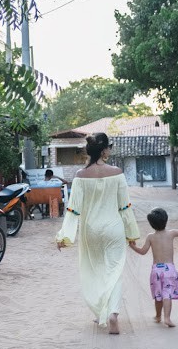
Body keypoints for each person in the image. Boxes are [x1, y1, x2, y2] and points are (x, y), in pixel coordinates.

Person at [56, 133, 139, 334]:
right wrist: (132, 233)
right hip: (114, 228)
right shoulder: (117, 173)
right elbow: (125, 207)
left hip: (90, 230)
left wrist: (64, 235)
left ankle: (101, 310)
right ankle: (112, 313)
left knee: (96, 270)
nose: (110, 149)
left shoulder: (80, 176)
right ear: (103, 151)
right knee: (115, 271)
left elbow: (73, 209)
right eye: (109, 146)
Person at [129, 207, 178, 327]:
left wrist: (133, 246)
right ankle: (167, 318)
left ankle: (158, 316)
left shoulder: (150, 237)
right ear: (166, 220)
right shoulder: (171, 233)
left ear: (151, 224)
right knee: (167, 294)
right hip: (169, 269)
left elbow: (142, 251)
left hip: (156, 269)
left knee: (158, 295)